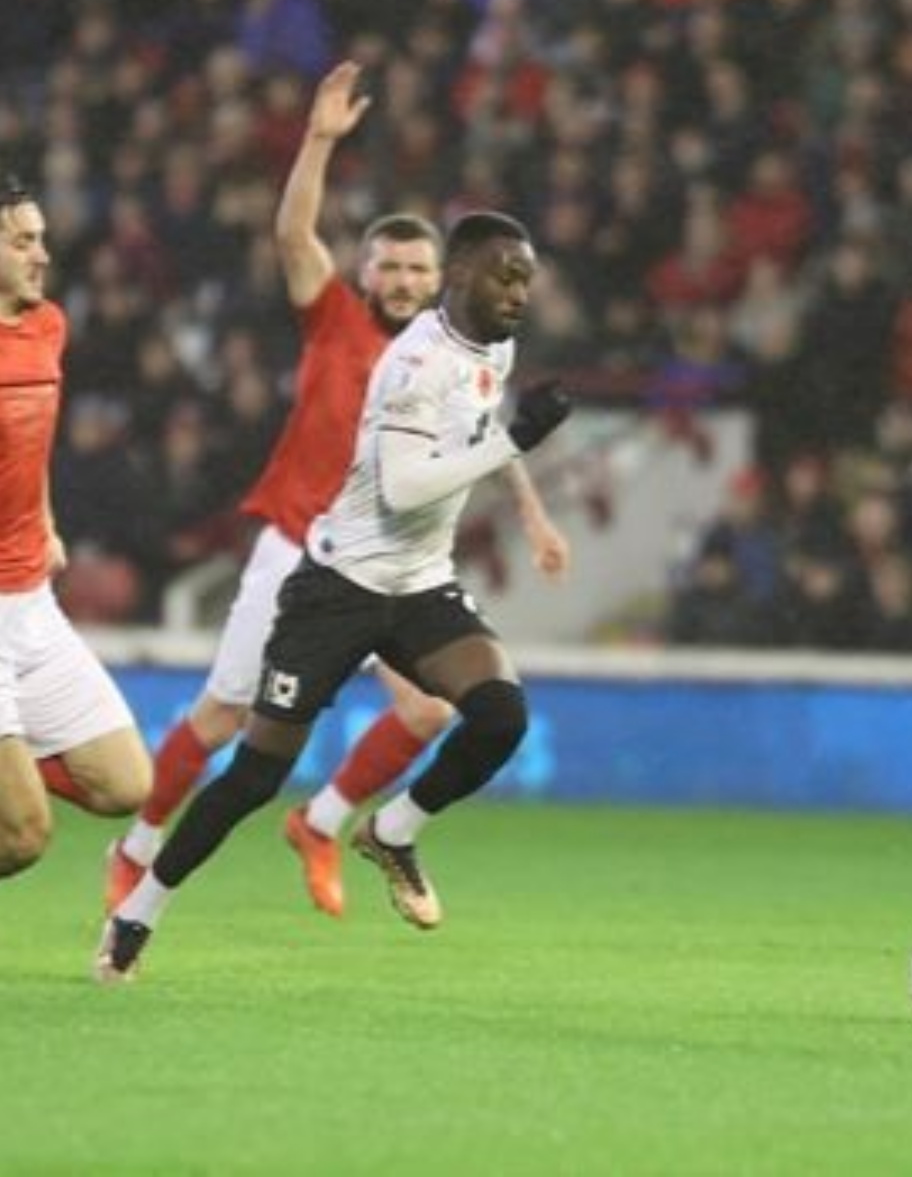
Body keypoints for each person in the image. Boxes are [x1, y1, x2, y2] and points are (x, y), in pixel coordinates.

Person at [104, 62, 569, 921]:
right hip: (301, 541)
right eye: (386, 267)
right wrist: (317, 141)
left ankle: (325, 825)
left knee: (434, 713)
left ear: (443, 276)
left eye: (415, 268)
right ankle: (133, 855)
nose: (400, 281)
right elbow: (292, 238)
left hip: (398, 563)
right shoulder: (337, 320)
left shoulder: (471, 344)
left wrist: (534, 509)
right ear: (364, 275)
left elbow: (483, 429)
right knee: (224, 720)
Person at [0, 175, 151, 881]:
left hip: (32, 600)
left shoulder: (47, 325)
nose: (42, 255)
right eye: (24, 241)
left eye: (42, 240)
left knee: (126, 786)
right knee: (24, 837)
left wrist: (48, 521)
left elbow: (32, 445)